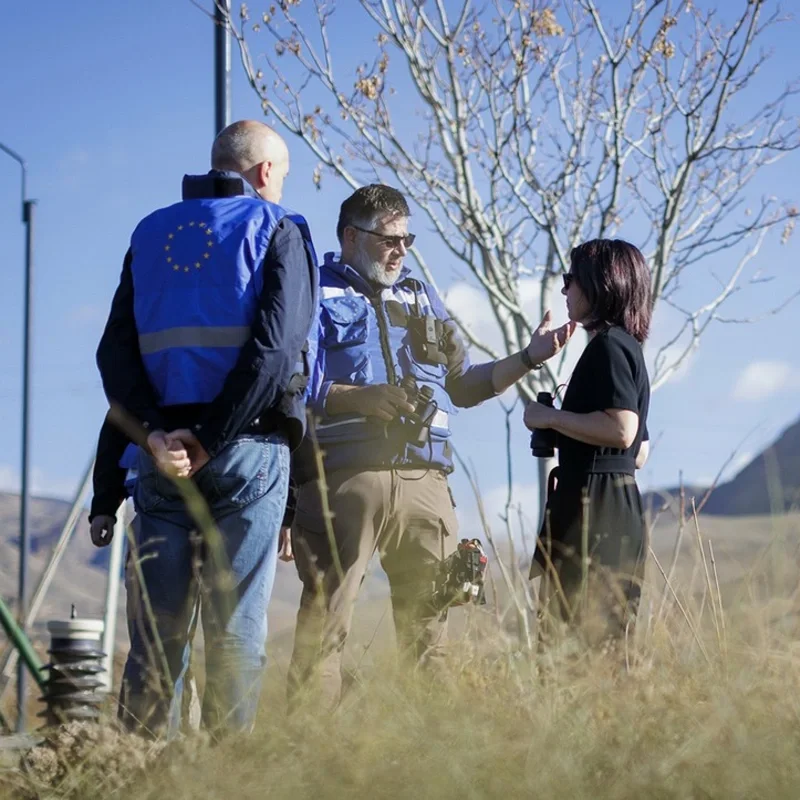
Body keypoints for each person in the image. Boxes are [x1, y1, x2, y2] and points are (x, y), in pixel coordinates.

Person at [286, 183, 575, 707]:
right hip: (343, 481)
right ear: (351, 236)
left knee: (430, 642)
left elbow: (465, 385)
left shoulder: (421, 294)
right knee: (324, 632)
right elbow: (293, 381)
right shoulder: (314, 289)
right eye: (388, 239)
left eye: (407, 239)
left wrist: (531, 356)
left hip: (427, 486)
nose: (401, 250)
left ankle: (431, 764)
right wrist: (359, 398)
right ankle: (307, 762)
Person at [95, 119, 318, 739]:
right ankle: (226, 781)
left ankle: (134, 776)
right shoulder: (280, 227)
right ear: (266, 173)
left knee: (155, 643)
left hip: (161, 461)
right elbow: (277, 353)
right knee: (234, 635)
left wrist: (158, 437)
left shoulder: (147, 233)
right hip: (244, 453)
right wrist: (211, 437)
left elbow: (113, 355)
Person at [522, 238, 653, 656]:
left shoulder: (609, 347)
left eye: (570, 279)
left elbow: (623, 431)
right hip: (617, 506)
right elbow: (640, 452)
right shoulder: (628, 348)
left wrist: (550, 419)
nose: (564, 290)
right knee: (605, 649)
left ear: (600, 284)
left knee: (573, 651)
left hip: (593, 510)